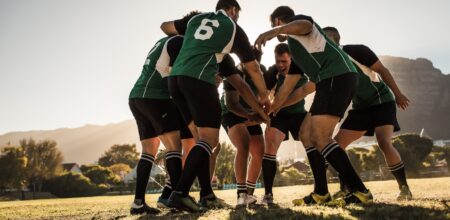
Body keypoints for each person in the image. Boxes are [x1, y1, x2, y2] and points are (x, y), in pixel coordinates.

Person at [255, 5, 372, 206]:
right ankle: (321, 193)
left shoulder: (299, 23)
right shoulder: (297, 49)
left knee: (320, 137)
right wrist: (271, 109)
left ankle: (360, 191)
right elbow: (293, 90)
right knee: (307, 134)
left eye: (274, 25)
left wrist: (274, 31)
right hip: (331, 80)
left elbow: (305, 24)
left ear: (277, 21)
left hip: (337, 76)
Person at [160, 0, 270, 211]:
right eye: (237, 14)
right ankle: (179, 193)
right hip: (199, 80)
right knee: (209, 140)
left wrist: (189, 37)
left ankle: (204, 195)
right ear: (233, 10)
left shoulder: (196, 20)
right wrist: (264, 96)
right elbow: (253, 68)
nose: (237, 17)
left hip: (176, 81)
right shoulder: (232, 28)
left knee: (202, 142)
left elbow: (165, 26)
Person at [322, 26, 412, 201]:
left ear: (334, 40)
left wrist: (398, 95)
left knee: (384, 142)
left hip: (382, 102)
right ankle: (346, 189)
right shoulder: (330, 64)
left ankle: (404, 188)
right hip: (360, 108)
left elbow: (382, 70)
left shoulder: (356, 51)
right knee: (335, 146)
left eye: (325, 40)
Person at [261, 43, 315, 204]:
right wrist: (266, 104)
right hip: (279, 115)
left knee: (318, 141)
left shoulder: (302, 66)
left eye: (284, 61)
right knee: (270, 144)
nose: (280, 65)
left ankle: (322, 189)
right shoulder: (272, 71)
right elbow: (264, 94)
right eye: (278, 61)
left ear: (292, 58)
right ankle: (268, 194)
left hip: (299, 113)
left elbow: (310, 87)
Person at [220, 48, 266, 206]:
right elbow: (232, 104)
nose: (255, 67)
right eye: (251, 64)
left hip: (251, 113)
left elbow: (267, 95)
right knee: (244, 144)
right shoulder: (233, 73)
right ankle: (241, 194)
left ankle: (249, 194)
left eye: (257, 65)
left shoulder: (262, 71)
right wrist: (251, 117)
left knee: (260, 151)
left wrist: (260, 117)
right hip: (231, 112)